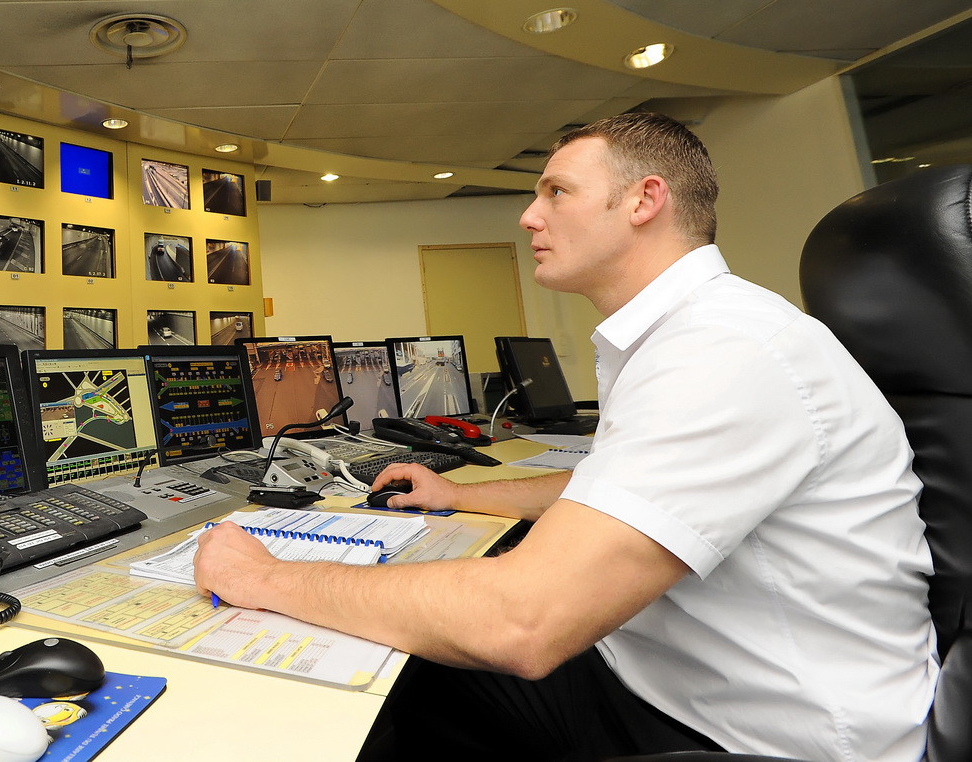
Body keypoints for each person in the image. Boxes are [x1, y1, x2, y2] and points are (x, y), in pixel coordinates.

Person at [193, 112, 938, 762]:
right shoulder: (683, 335)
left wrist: (267, 578)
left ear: (646, 199)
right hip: (667, 681)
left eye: (557, 191)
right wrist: (459, 492)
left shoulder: (728, 349)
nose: (528, 215)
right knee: (411, 673)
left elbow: (525, 620)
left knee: (408, 671)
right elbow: (618, 486)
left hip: (755, 736)